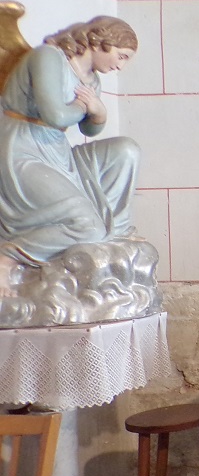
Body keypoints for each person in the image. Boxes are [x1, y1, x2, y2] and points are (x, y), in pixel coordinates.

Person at [0, 15, 140, 295]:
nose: (120, 66)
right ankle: (9, 257)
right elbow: (55, 114)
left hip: (57, 151)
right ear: (102, 40)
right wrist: (84, 105)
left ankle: (116, 231)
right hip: (21, 150)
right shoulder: (48, 57)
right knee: (86, 227)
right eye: (121, 56)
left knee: (126, 150)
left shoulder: (91, 79)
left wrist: (98, 112)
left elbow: (88, 126)